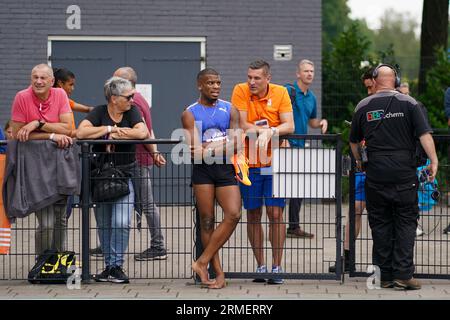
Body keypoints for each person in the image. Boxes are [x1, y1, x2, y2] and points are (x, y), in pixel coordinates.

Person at [349, 64, 438, 290]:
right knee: (406, 221)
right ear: (396, 80)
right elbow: (424, 135)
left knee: (379, 223)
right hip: (403, 172)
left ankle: (383, 276)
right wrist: (434, 160)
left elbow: (353, 141)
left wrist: (360, 161)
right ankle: (404, 274)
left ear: (375, 80)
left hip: (375, 172)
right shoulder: (410, 103)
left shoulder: (363, 106)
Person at [77, 76, 148, 283]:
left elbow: (142, 132)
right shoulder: (99, 112)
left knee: (121, 221)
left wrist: (117, 135)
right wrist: (109, 130)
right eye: (128, 96)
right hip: (100, 177)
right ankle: (110, 267)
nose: (132, 100)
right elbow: (81, 132)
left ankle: (116, 264)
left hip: (125, 175)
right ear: (114, 98)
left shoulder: (132, 112)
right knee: (104, 223)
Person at [231, 60, 294, 284]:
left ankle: (277, 267)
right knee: (253, 213)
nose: (251, 82)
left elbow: (290, 125)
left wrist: (273, 131)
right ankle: (261, 265)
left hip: (276, 163)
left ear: (268, 78)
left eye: (257, 78)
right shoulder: (240, 90)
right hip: (249, 163)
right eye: (249, 77)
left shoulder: (281, 93)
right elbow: (242, 124)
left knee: (275, 214)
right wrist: (264, 131)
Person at [182, 68, 242, 289]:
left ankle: (201, 261)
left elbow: (237, 143)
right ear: (200, 85)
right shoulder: (190, 113)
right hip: (203, 172)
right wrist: (222, 144)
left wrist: (210, 146)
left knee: (234, 213)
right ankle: (218, 274)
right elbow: (195, 152)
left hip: (225, 169)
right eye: (210, 83)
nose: (216, 86)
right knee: (207, 222)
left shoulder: (230, 109)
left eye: (218, 82)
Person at [10, 63, 74, 255]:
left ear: (52, 81)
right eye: (35, 77)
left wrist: (38, 124)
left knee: (61, 219)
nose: (38, 81)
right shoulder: (22, 97)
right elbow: (17, 134)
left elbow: (69, 129)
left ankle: (59, 261)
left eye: (43, 78)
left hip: (60, 163)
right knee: (46, 223)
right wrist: (52, 136)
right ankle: (43, 261)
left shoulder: (60, 95)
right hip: (36, 166)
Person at [112, 66, 168, 261]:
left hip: (137, 160)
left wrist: (153, 153)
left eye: (116, 80)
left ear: (128, 83)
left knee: (147, 203)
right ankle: (107, 244)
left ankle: (158, 246)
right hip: (140, 158)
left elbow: (144, 132)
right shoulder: (137, 99)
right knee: (130, 201)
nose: (112, 84)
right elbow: (150, 131)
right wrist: (155, 152)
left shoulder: (133, 102)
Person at [329, 67, 376, 273]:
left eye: (370, 87)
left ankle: (382, 260)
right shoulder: (364, 106)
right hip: (363, 166)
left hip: (383, 168)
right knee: (355, 209)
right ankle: (348, 258)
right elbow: (355, 136)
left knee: (380, 214)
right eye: (366, 88)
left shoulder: (396, 102)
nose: (368, 92)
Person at [285, 59, 327, 239]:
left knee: (298, 187)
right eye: (306, 71)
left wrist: (321, 123)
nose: (309, 74)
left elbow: (311, 121)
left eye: (312, 71)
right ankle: (277, 223)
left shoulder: (312, 97)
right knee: (278, 185)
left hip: (300, 147)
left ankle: (293, 227)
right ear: (298, 74)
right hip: (284, 145)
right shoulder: (288, 91)